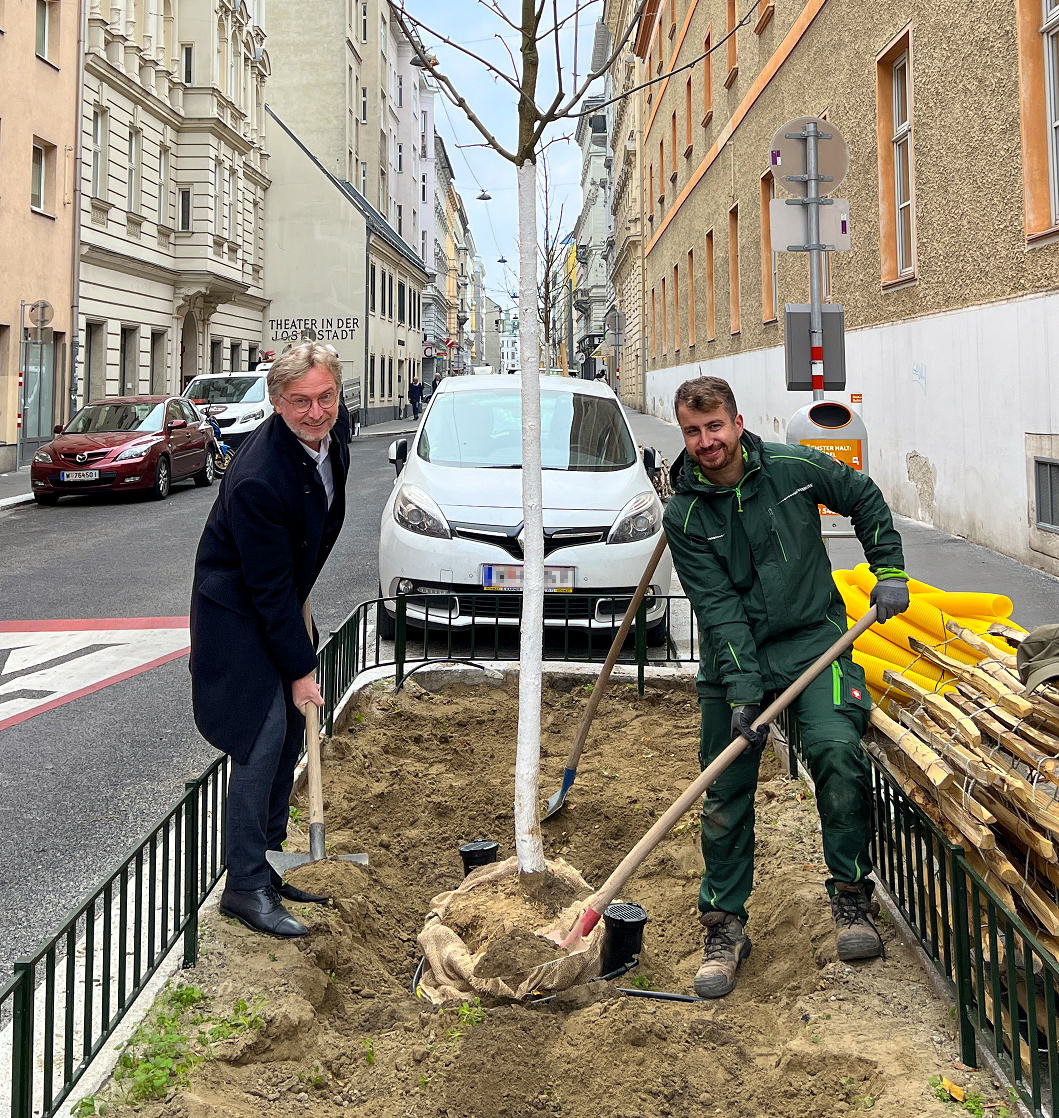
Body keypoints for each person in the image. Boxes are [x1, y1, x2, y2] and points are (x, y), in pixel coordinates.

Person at [662, 376, 910, 998]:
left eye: (714, 427)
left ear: (738, 423)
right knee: (724, 792)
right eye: (692, 431)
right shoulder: (684, 513)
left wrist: (890, 568)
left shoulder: (794, 467)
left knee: (836, 754)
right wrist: (744, 690)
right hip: (732, 660)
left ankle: (852, 898)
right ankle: (724, 926)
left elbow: (864, 496)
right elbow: (717, 610)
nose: (705, 442)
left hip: (815, 641)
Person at [190, 342, 350, 939]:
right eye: (300, 401)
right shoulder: (259, 477)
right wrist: (299, 665)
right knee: (260, 740)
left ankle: (271, 859)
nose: (316, 412)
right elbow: (266, 587)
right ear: (278, 403)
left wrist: (298, 649)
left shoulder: (332, 438)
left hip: (280, 598)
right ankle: (245, 885)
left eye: (326, 397)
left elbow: (307, 540)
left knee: (289, 738)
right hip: (237, 615)